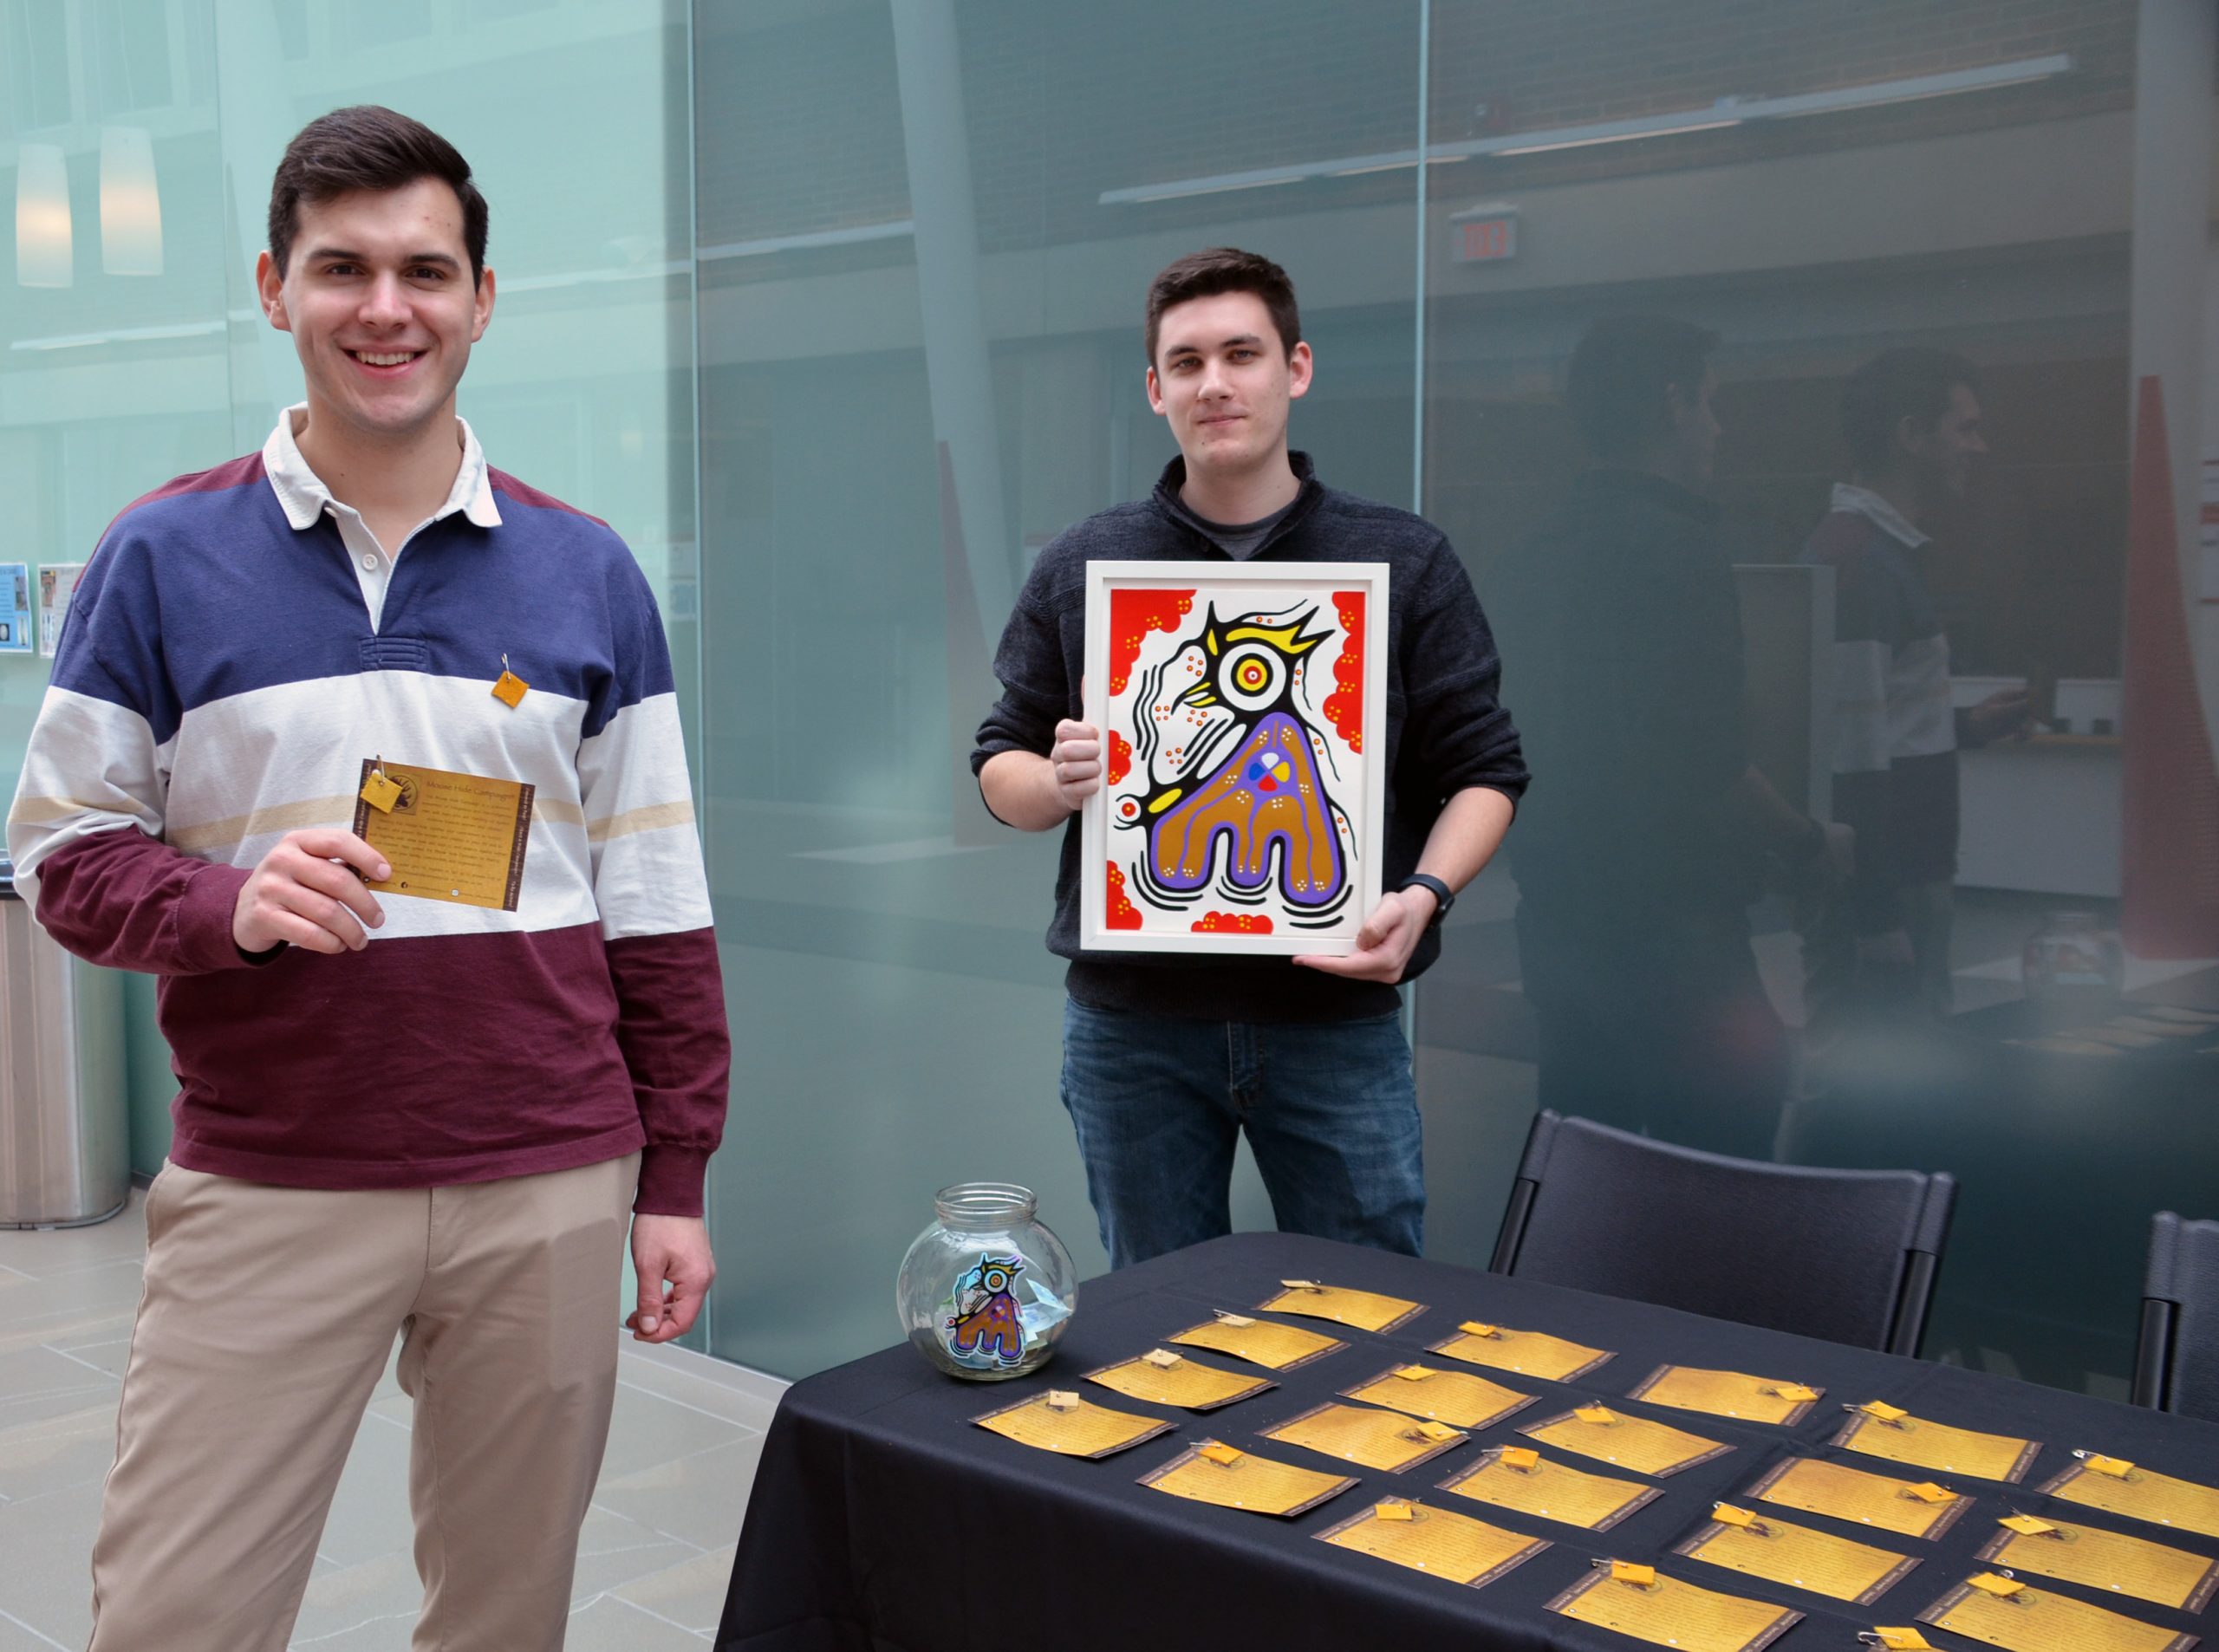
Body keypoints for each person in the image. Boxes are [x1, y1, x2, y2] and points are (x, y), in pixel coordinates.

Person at [6, 107, 729, 1650]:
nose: (384, 308)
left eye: (424, 270)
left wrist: (675, 1178)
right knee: (175, 1616)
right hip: (273, 1178)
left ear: (481, 297)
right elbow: (58, 852)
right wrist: (226, 905)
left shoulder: (591, 568)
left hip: (544, 1173)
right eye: (342, 268)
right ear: (275, 287)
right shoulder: (159, 555)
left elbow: (657, 905)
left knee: (504, 1614)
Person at [972, 247, 1527, 1269]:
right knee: (1159, 1322)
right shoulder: (1086, 564)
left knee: (1367, 1313)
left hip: (1334, 1017)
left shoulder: (1400, 560)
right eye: (1185, 362)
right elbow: (999, 764)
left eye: (1241, 353)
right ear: (1154, 389)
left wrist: (1425, 894)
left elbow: (1484, 770)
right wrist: (1055, 780)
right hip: (1132, 1030)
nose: (1214, 383)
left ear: (1295, 368)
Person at [1488, 315, 1849, 1161]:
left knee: (1584, 1156)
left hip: (1558, 915)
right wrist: (1806, 845)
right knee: (1724, 1145)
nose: (1719, 430)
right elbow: (1704, 759)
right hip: (1670, 926)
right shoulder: (1680, 550)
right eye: (1712, 406)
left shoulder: (1533, 551)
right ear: (1673, 404)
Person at [1802, 348, 2029, 1034]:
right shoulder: (1865, 564)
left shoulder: (1874, 553)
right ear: (1911, 435)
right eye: (1964, 428)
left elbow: (1874, 724)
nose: (1977, 447)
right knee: (1883, 1081)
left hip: (1901, 874)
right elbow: (1850, 760)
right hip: (1892, 882)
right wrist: (1876, 917)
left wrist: (1962, 727)